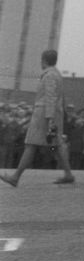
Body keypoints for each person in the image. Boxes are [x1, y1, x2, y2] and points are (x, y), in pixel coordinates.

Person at [1, 49, 77, 187]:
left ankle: (15, 177)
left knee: (31, 145)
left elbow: (50, 97)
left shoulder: (49, 75)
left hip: (44, 115)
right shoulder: (56, 74)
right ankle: (68, 174)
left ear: (44, 60)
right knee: (57, 144)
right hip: (52, 114)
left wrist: (50, 118)